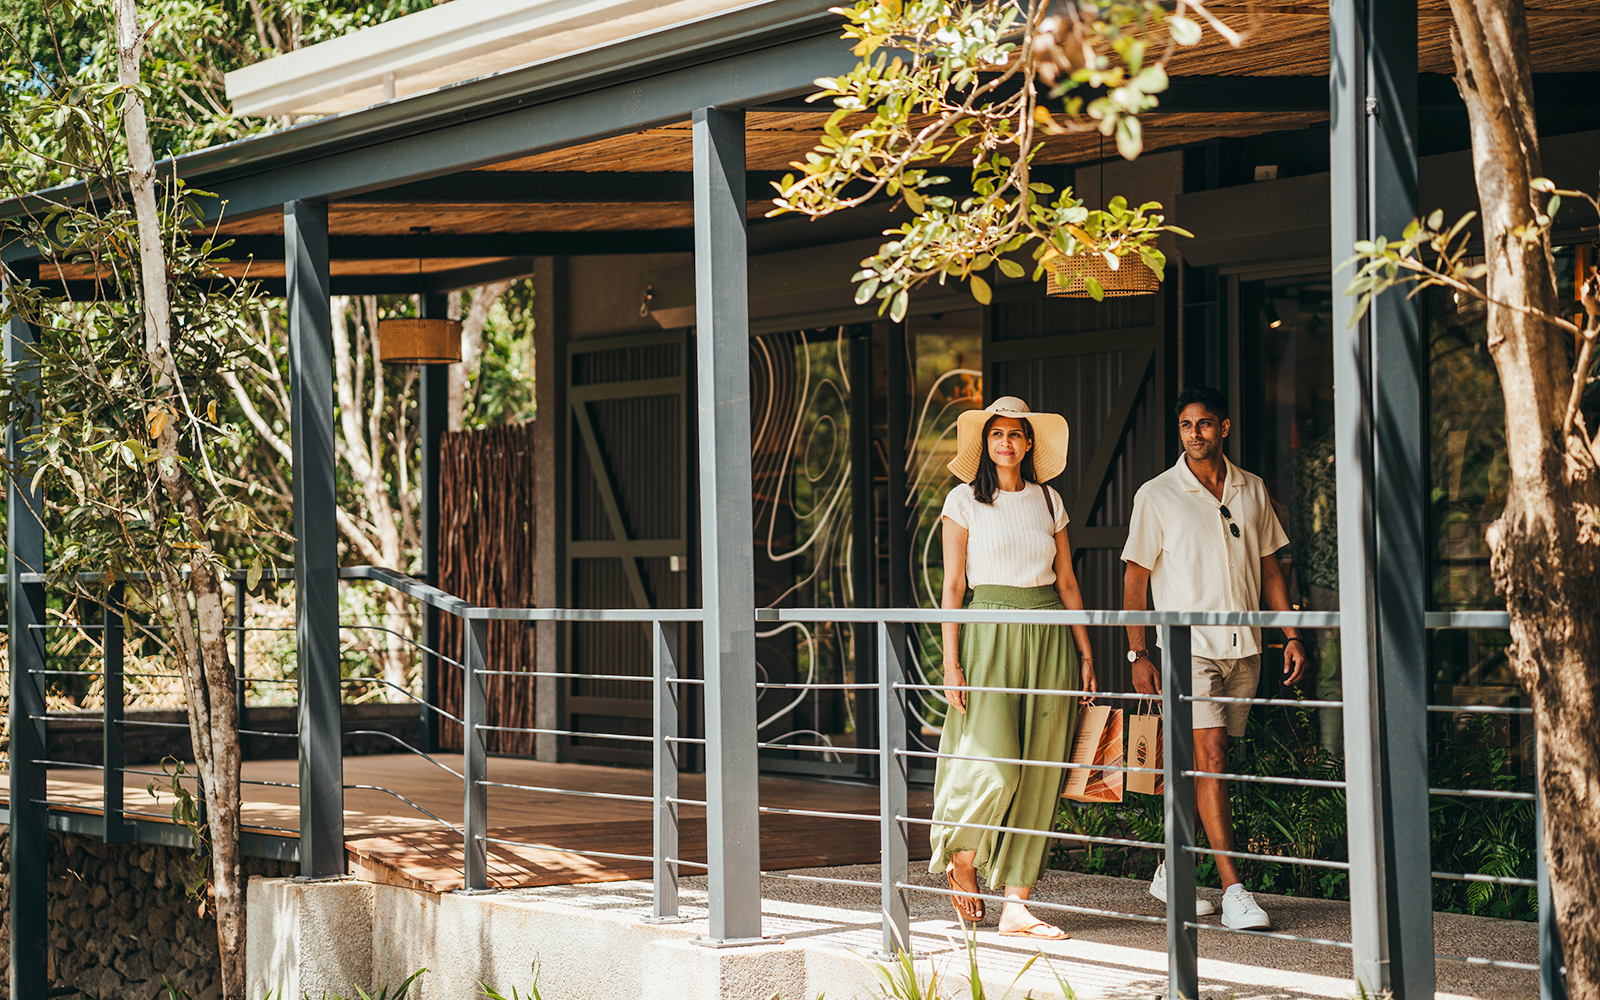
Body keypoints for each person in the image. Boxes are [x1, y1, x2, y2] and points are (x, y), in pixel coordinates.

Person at [1121, 385, 1307, 931]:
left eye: (1204, 424)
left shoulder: (1252, 489)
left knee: (1207, 766)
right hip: (1189, 649)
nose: (1194, 434)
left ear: (1223, 428)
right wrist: (1138, 650)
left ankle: (1167, 869)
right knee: (1212, 759)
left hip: (1244, 647)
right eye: (1185, 425)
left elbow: (1270, 568)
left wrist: (1289, 634)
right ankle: (1233, 890)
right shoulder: (1156, 495)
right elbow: (1136, 575)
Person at [930, 396, 1097, 940]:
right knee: (992, 764)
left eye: (1015, 435)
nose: (1006, 443)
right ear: (986, 443)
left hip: (1049, 631)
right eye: (996, 434)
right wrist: (951, 663)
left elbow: (1068, 580)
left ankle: (1017, 906)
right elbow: (953, 585)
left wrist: (1087, 653)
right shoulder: (963, 501)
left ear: (1029, 444)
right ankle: (963, 859)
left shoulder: (1049, 499)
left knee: (1042, 770)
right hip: (987, 632)